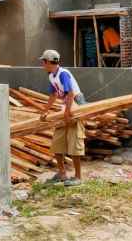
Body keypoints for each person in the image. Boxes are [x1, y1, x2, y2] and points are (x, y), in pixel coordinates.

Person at [38, 49, 86, 186]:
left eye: (43, 62)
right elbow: (53, 95)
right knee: (57, 141)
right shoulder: (52, 76)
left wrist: (67, 113)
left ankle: (78, 177)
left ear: (48, 62)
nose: (43, 65)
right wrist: (45, 111)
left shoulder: (63, 74)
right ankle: (62, 173)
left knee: (75, 139)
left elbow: (70, 93)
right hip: (66, 105)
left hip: (75, 103)